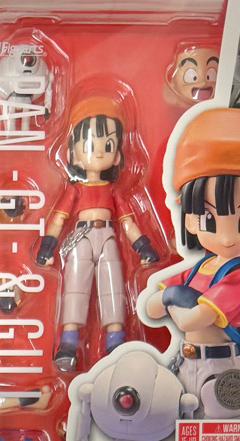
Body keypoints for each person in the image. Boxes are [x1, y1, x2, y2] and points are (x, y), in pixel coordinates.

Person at [144, 108, 240, 441]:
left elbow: (192, 317)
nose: (227, 237)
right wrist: (170, 297)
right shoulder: (198, 268)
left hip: (223, 373)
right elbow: (151, 307)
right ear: (191, 219)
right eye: (210, 218)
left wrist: (171, 298)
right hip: (185, 367)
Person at [36, 97, 159, 371]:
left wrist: (143, 246)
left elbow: (127, 222)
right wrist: (47, 246)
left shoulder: (113, 192)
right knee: (75, 287)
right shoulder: (75, 190)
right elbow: (58, 219)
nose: (100, 153)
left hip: (108, 238)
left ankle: (115, 341)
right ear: (73, 154)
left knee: (112, 286)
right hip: (81, 238)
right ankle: (68, 343)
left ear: (118, 155)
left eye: (108, 146)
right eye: (90, 145)